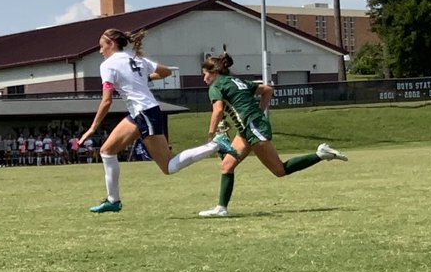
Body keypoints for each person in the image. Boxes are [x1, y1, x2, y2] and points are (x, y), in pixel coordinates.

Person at [78, 27, 240, 213]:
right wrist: (143, 78)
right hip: (142, 112)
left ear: (111, 44)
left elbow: (107, 100)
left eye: (101, 47)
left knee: (169, 167)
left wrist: (92, 127)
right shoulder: (136, 58)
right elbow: (165, 72)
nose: (100, 51)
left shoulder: (107, 65)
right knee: (107, 151)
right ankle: (113, 200)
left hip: (144, 113)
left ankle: (216, 144)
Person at [196, 52, 347, 217]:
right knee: (227, 165)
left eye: (205, 75)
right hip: (248, 128)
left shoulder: (216, 86)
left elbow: (217, 110)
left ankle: (321, 154)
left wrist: (210, 135)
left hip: (252, 127)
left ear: (214, 72)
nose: (204, 79)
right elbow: (267, 90)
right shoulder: (237, 81)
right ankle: (221, 208)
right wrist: (259, 112)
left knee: (279, 170)